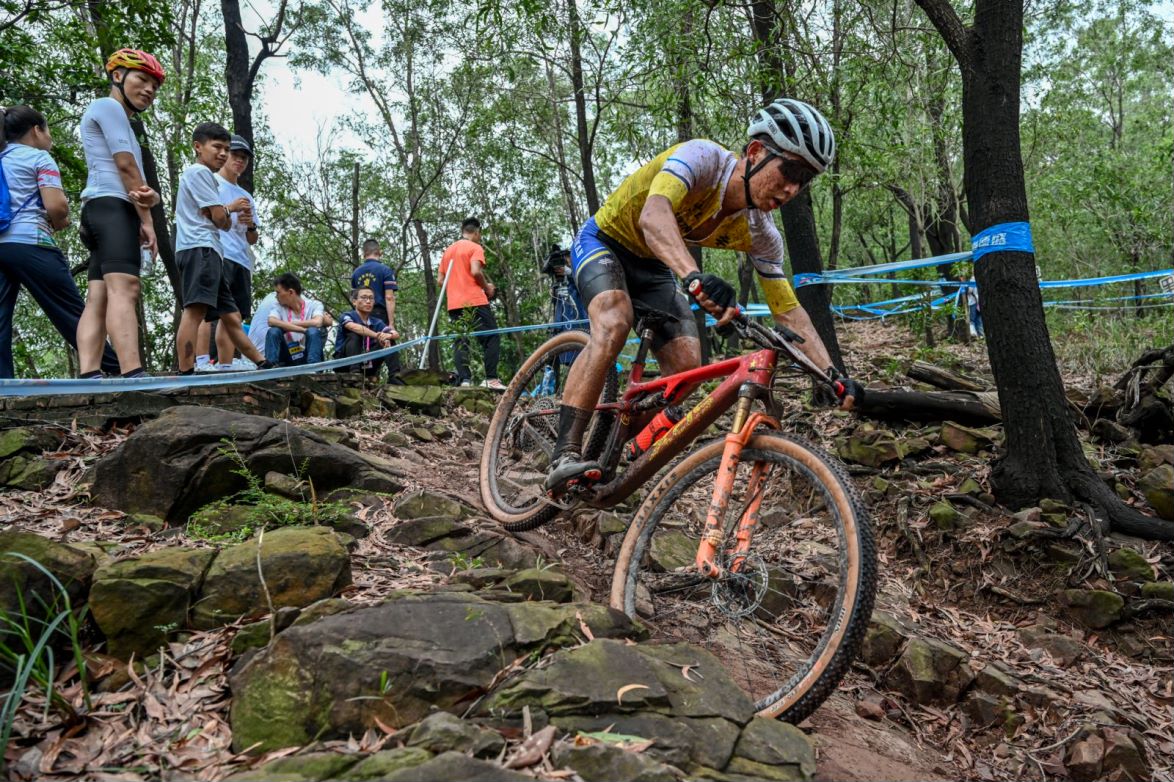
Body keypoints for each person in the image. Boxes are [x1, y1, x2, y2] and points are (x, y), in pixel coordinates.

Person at [544, 98, 863, 494]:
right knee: (613, 322)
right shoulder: (702, 158)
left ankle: (610, 451)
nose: (793, 188)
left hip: (654, 266)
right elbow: (653, 216)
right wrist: (694, 277)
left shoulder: (763, 234)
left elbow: (789, 312)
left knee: (686, 367)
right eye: (790, 171)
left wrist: (833, 376)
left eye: (805, 180)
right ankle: (564, 454)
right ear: (755, 152)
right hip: (606, 241)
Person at [0, 106, 119, 378]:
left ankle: (3, 387)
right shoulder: (39, 158)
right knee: (72, 312)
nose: (50, 137)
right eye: (48, 129)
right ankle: (116, 369)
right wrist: (61, 221)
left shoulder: (1, 158)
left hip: (1, 245)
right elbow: (57, 207)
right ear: (36, 130)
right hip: (32, 241)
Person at [76, 49, 166, 379]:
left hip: (100, 208)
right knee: (125, 288)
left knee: (98, 295)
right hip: (113, 207)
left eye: (154, 87)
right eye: (142, 80)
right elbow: (127, 167)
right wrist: (148, 221)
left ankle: (89, 374)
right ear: (118, 76)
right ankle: (134, 374)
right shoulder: (109, 106)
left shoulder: (120, 118)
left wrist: (150, 198)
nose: (148, 90)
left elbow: (131, 174)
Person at [173, 122, 269, 374]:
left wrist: (225, 214)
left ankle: (262, 362)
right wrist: (227, 210)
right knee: (196, 311)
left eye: (227, 149)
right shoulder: (200, 173)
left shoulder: (221, 185)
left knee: (232, 315)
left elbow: (223, 223)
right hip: (200, 247)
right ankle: (187, 371)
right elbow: (220, 219)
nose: (224, 154)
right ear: (198, 147)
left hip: (213, 250)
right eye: (218, 147)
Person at [195, 134, 258, 370]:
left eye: (244, 158)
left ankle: (225, 364)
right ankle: (201, 361)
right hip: (216, 252)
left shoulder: (247, 196)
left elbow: (252, 238)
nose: (239, 161)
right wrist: (230, 209)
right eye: (235, 155)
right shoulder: (211, 181)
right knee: (206, 310)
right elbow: (203, 214)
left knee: (235, 315)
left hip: (241, 258)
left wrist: (250, 223)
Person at [439, 217, 505, 390]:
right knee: (491, 337)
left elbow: (440, 281)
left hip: (454, 303)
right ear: (476, 232)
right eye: (480, 234)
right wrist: (487, 287)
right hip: (474, 300)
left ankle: (464, 380)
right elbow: (476, 271)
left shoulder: (448, 251)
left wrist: (455, 283)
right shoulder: (475, 247)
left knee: (461, 340)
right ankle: (491, 379)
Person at [351, 238, 401, 380]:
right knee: (386, 340)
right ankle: (394, 375)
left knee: (367, 343)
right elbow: (389, 297)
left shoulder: (356, 273)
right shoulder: (385, 270)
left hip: (361, 314)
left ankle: (369, 374)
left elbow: (355, 297)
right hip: (379, 312)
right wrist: (391, 323)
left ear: (364, 254)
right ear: (380, 252)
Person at [265, 272, 325, 366]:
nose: (276, 296)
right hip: (287, 356)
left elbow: (317, 322)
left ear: (291, 292)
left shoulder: (314, 304)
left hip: (307, 354)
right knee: (274, 331)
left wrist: (292, 323)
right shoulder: (278, 305)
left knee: (313, 331)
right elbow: (271, 321)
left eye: (278, 292)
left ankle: (314, 369)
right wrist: (303, 330)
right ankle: (270, 368)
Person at [334, 286, 394, 376]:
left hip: (367, 363)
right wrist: (377, 336)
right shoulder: (346, 316)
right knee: (354, 335)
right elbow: (353, 327)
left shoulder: (376, 322)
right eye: (364, 298)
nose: (368, 301)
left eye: (371, 298)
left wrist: (388, 336)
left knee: (389, 341)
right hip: (345, 364)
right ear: (354, 302)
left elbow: (395, 334)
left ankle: (395, 375)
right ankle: (355, 372)